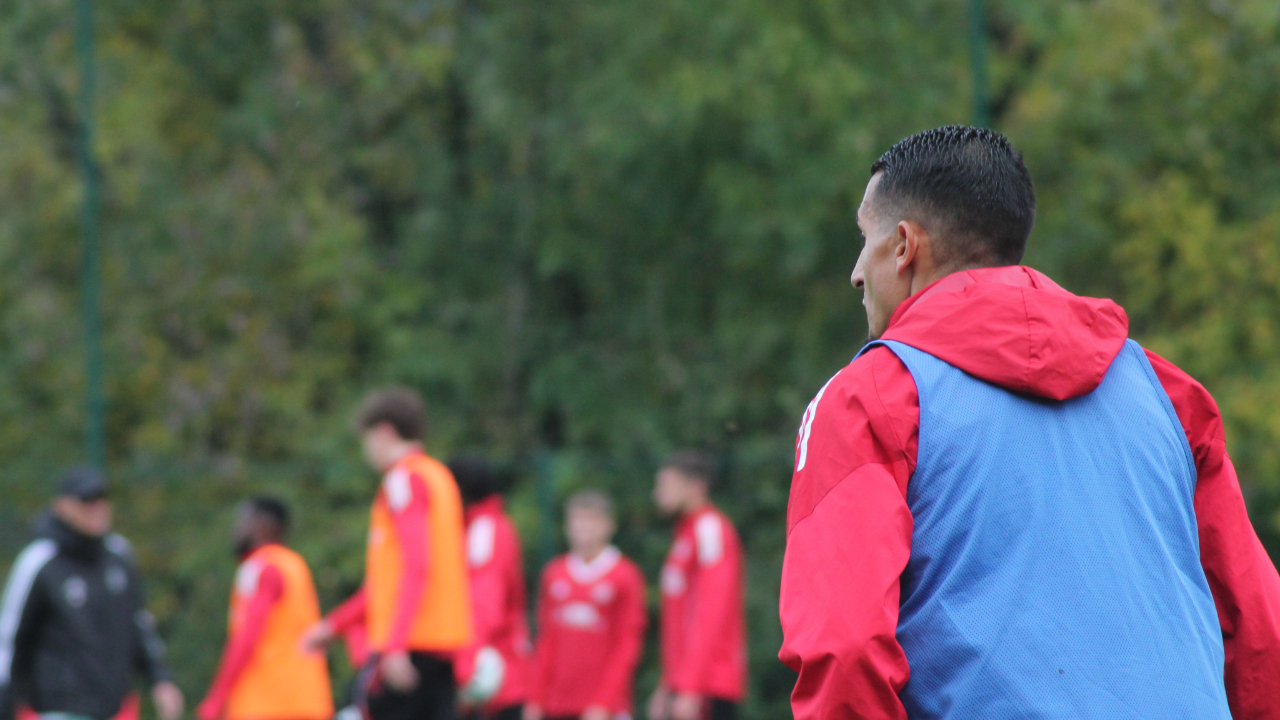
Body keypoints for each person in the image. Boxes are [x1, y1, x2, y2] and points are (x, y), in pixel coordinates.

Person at [779, 125, 1280, 719]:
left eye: (864, 240)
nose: (857, 272)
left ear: (905, 245)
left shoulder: (870, 399)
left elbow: (844, 648)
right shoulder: (1168, 392)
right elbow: (1258, 631)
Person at [301, 387, 473, 720]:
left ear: (384, 432)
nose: (367, 450)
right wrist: (335, 625)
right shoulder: (438, 477)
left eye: (367, 439)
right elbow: (389, 583)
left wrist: (394, 645)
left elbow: (417, 565)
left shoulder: (402, 480)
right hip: (442, 644)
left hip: (410, 647)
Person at [0, 466, 184, 720]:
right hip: (58, 709)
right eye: (86, 501)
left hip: (116, 709)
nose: (97, 508)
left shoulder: (120, 555)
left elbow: (139, 623)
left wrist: (160, 678)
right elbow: (11, 640)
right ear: (62, 506)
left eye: (102, 499)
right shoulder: (39, 561)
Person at [196, 497, 333, 720]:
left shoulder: (261, 567)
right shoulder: (294, 564)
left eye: (243, 521)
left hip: (267, 702)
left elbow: (247, 636)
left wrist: (217, 697)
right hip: (307, 700)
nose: (237, 528)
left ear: (263, 524)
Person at [525, 491, 645, 720]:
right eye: (577, 520)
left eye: (592, 520)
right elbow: (546, 640)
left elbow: (627, 645)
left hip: (604, 708)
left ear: (609, 526)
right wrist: (535, 698)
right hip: (557, 704)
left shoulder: (624, 576)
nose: (583, 527)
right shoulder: (554, 573)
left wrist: (603, 702)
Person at [648, 452, 745, 720]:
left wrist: (691, 687)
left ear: (696, 486)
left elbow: (710, 612)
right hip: (686, 685)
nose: (658, 493)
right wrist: (669, 683)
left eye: (666, 485)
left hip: (709, 685)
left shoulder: (709, 529)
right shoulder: (685, 533)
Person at [448, 457, 530, 720]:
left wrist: (466, 666)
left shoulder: (486, 530)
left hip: (495, 680)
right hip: (486, 675)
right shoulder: (473, 528)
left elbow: (484, 608)